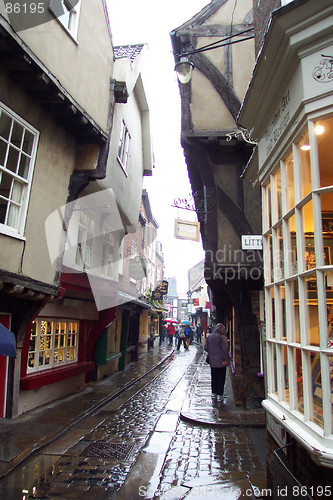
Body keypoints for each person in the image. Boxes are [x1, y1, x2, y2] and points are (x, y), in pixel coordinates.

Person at [204, 323, 228, 401]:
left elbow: (206, 348)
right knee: (221, 377)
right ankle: (219, 394)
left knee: (214, 377)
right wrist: (224, 359)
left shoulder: (209, 337)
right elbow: (225, 349)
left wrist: (212, 351)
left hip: (212, 361)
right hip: (221, 361)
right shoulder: (222, 337)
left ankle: (213, 393)